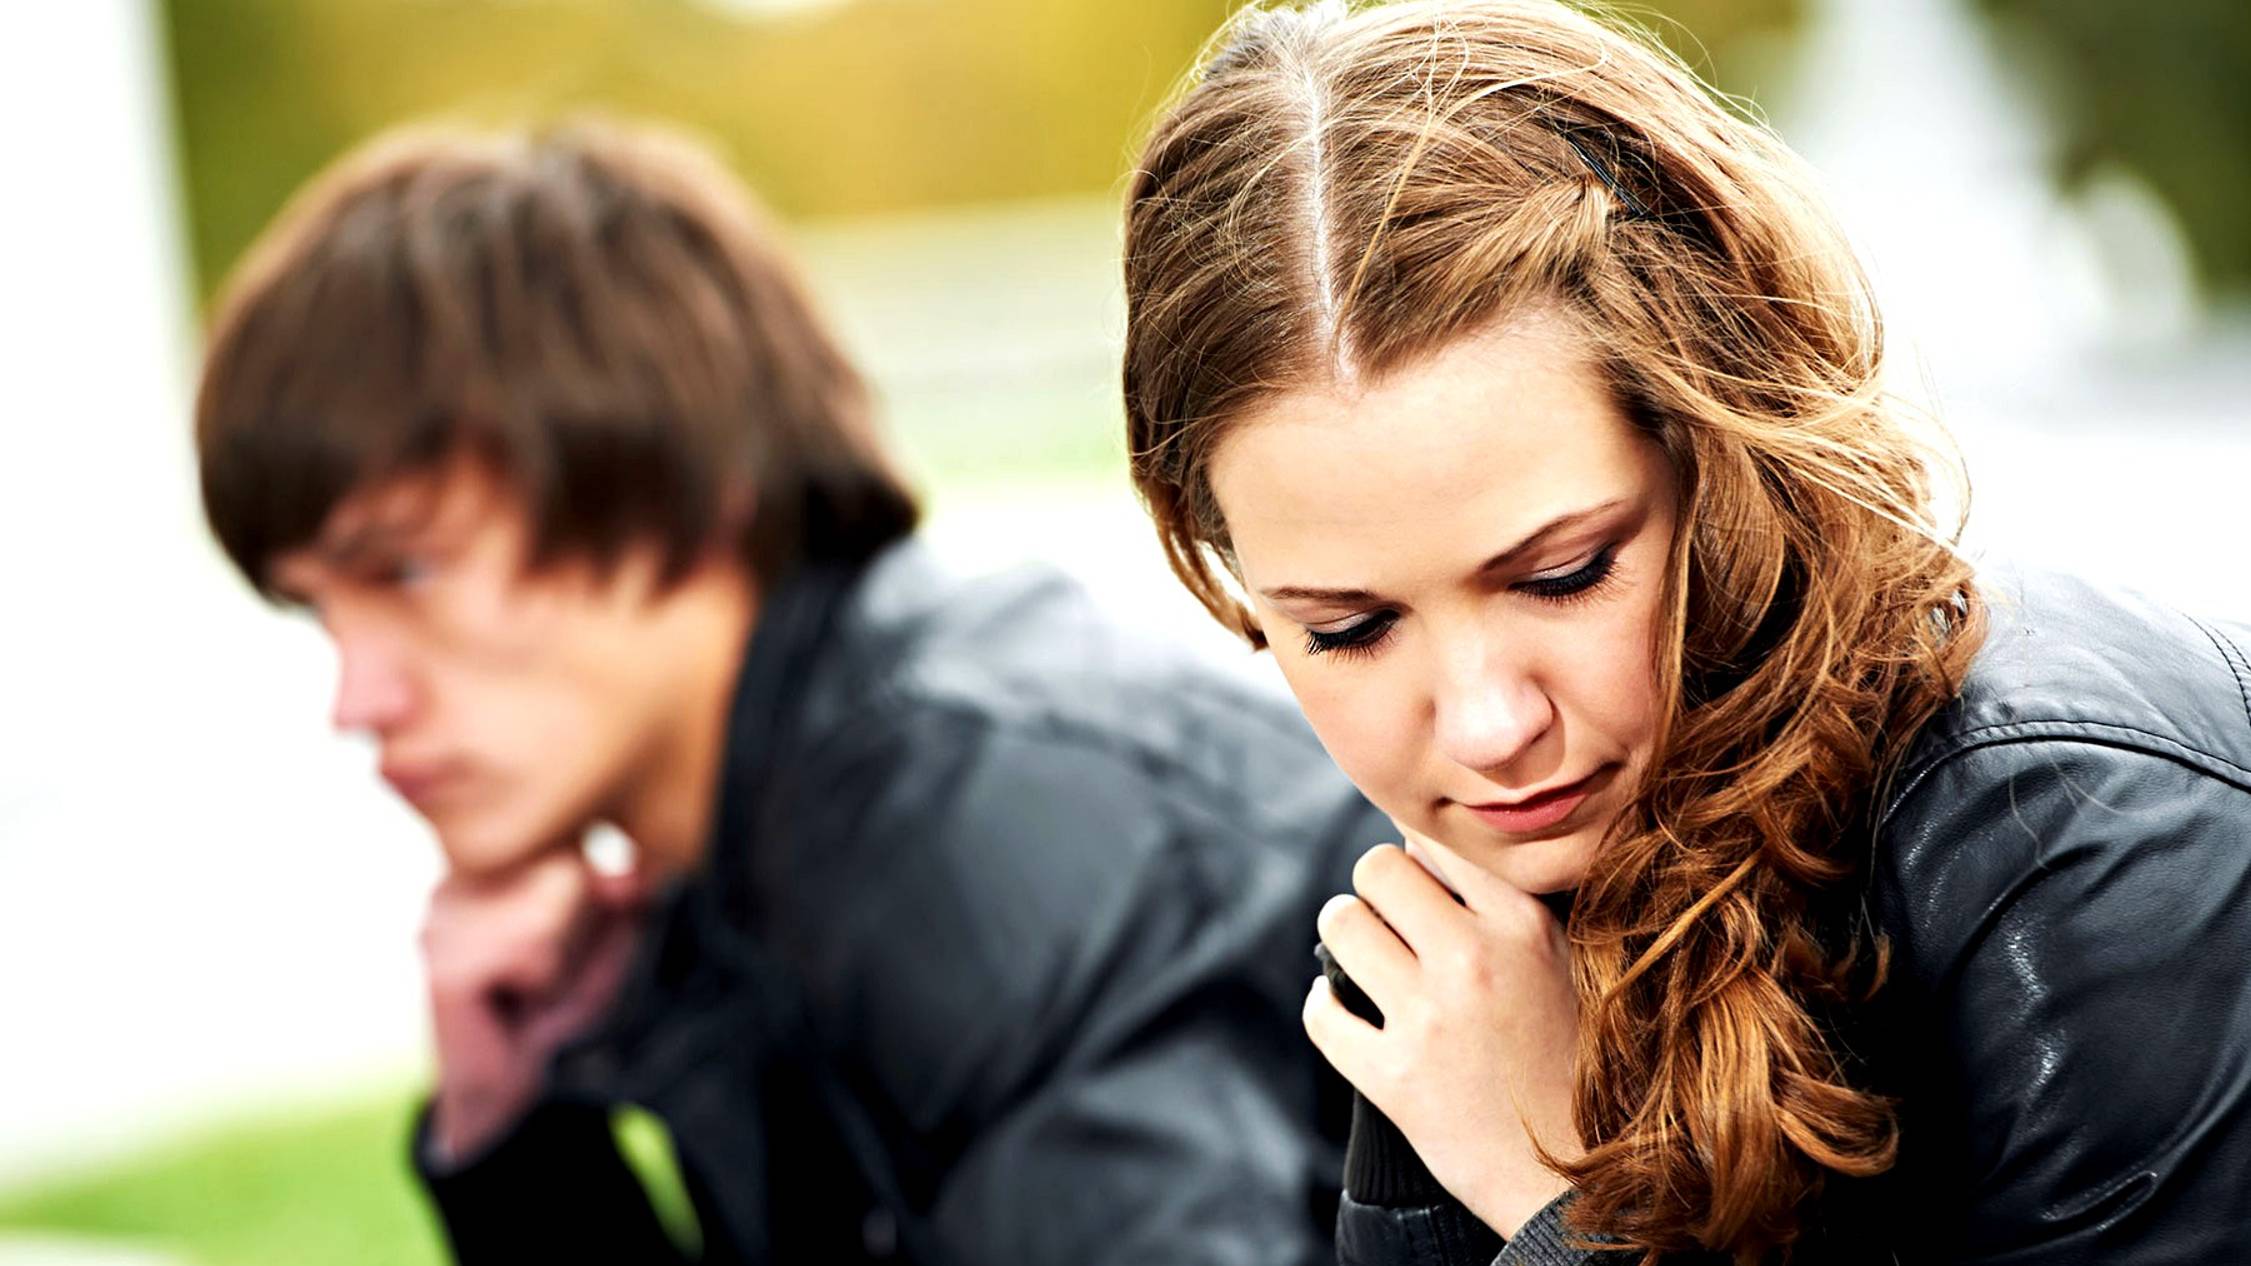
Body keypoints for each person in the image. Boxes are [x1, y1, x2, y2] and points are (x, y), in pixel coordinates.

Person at [1120, 2, 2251, 1263]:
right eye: (1348, 631)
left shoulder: (2074, 844)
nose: (1489, 726)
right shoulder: (1472, 943)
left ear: (1726, 463)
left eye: (1563, 575)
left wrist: (1558, 1200)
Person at [193, 118, 1387, 1264]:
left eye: (405, 571)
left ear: (674, 486)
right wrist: (517, 1142)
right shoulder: (748, 848)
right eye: (318, 610)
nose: (357, 698)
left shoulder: (965, 829)